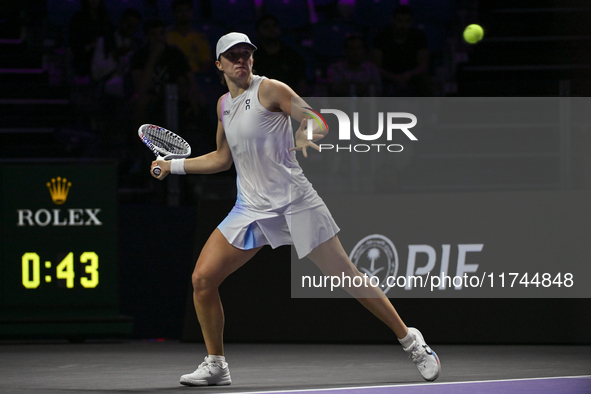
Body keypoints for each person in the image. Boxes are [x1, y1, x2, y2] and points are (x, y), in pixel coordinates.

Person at [150, 32, 441, 387]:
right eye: (233, 55)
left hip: (294, 202)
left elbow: (316, 120)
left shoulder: (271, 89)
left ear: (253, 59)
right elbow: (222, 158)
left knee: (347, 277)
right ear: (219, 64)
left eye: (247, 54)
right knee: (202, 280)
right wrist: (173, 167)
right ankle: (216, 364)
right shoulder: (223, 105)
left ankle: (412, 342)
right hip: (250, 208)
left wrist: (305, 134)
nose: (241, 60)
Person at [371, 5, 431, 96]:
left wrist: (409, 75)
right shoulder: (381, 37)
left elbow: (423, 66)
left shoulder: (419, 37)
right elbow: (375, 67)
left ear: (411, 22)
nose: (403, 25)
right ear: (392, 20)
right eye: (399, 21)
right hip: (386, 80)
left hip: (412, 80)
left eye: (407, 21)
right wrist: (394, 77)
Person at [253, 14, 308, 96]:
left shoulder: (293, 56)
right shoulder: (251, 58)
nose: (271, 29)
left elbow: (301, 86)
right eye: (266, 27)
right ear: (258, 32)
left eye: (274, 26)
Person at [165, 0, 212, 74]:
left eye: (187, 10)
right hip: (172, 78)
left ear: (192, 12)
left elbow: (205, 62)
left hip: (196, 77)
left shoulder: (200, 37)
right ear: (173, 13)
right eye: (179, 10)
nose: (184, 14)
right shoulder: (165, 36)